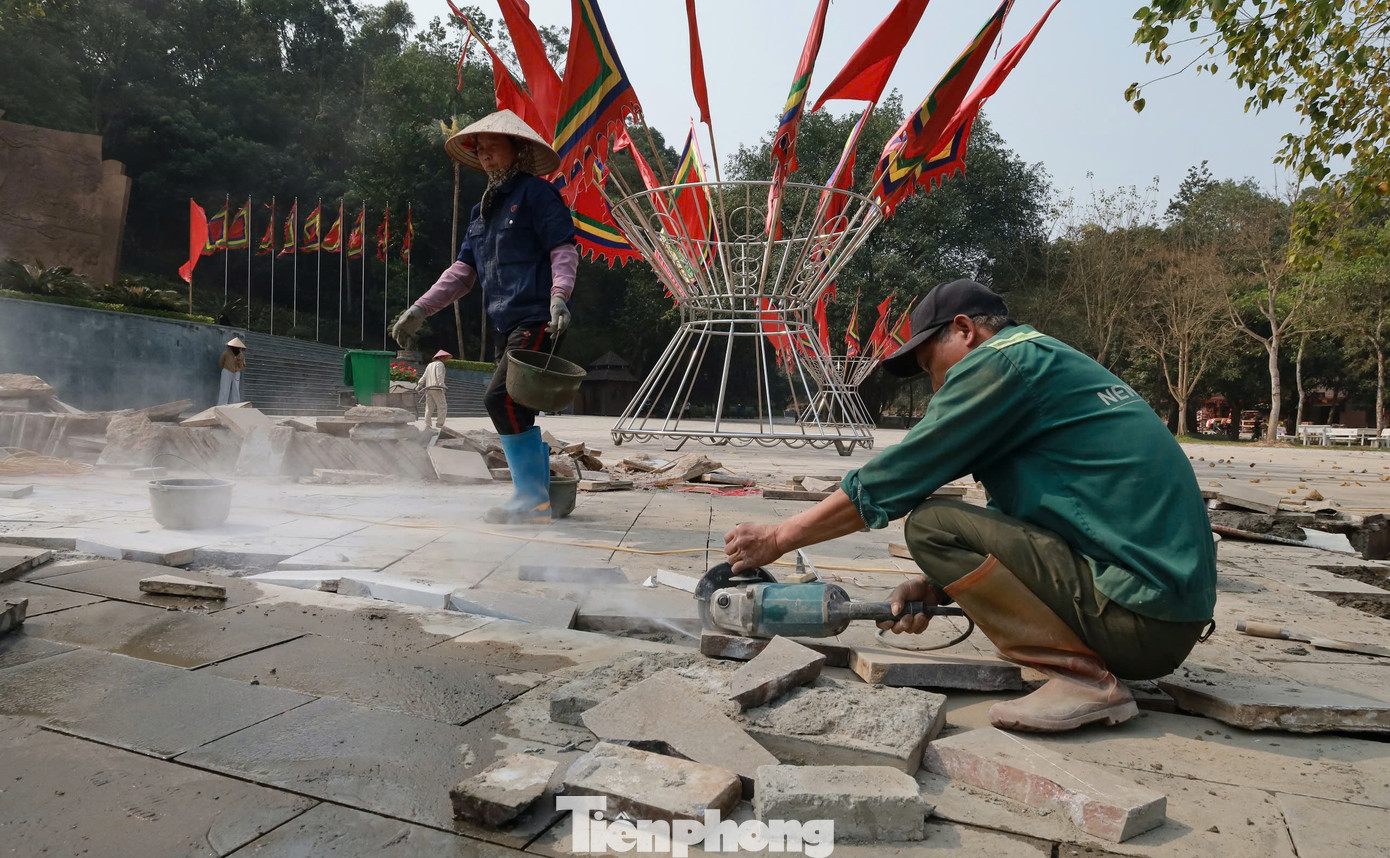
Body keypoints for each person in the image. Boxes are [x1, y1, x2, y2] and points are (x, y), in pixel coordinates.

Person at [724, 280, 1216, 733]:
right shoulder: (1048, 362)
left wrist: (778, 537)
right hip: (1164, 617)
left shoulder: (1001, 362)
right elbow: (1031, 525)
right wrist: (942, 584)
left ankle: (1084, 680)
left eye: (931, 367)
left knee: (933, 525)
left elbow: (897, 477)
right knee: (946, 535)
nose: (937, 386)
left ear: (964, 330)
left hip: (1140, 618)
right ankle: (1083, 660)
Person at [390, 109, 577, 524]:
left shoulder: (537, 194)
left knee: (500, 398)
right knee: (518, 408)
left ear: (518, 150)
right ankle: (544, 498)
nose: (487, 156)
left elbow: (563, 248)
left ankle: (532, 497)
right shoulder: (480, 212)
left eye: (495, 147)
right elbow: (463, 273)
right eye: (482, 150)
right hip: (504, 323)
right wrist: (419, 309)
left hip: (536, 318)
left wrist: (559, 296)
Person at [419, 349, 451, 431]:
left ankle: (427, 424)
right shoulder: (440, 364)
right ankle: (440, 424)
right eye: (445, 357)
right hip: (436, 388)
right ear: (441, 357)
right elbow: (439, 375)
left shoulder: (430, 365)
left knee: (429, 408)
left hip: (428, 388)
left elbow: (424, 376)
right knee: (442, 406)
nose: (445, 359)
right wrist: (442, 385)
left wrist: (419, 385)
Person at [217, 337, 246, 406]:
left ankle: (236, 404)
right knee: (224, 388)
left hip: (236, 372)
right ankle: (221, 404)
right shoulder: (226, 353)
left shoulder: (241, 355)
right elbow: (221, 362)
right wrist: (225, 368)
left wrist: (239, 361)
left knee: (236, 389)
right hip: (227, 371)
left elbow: (243, 366)